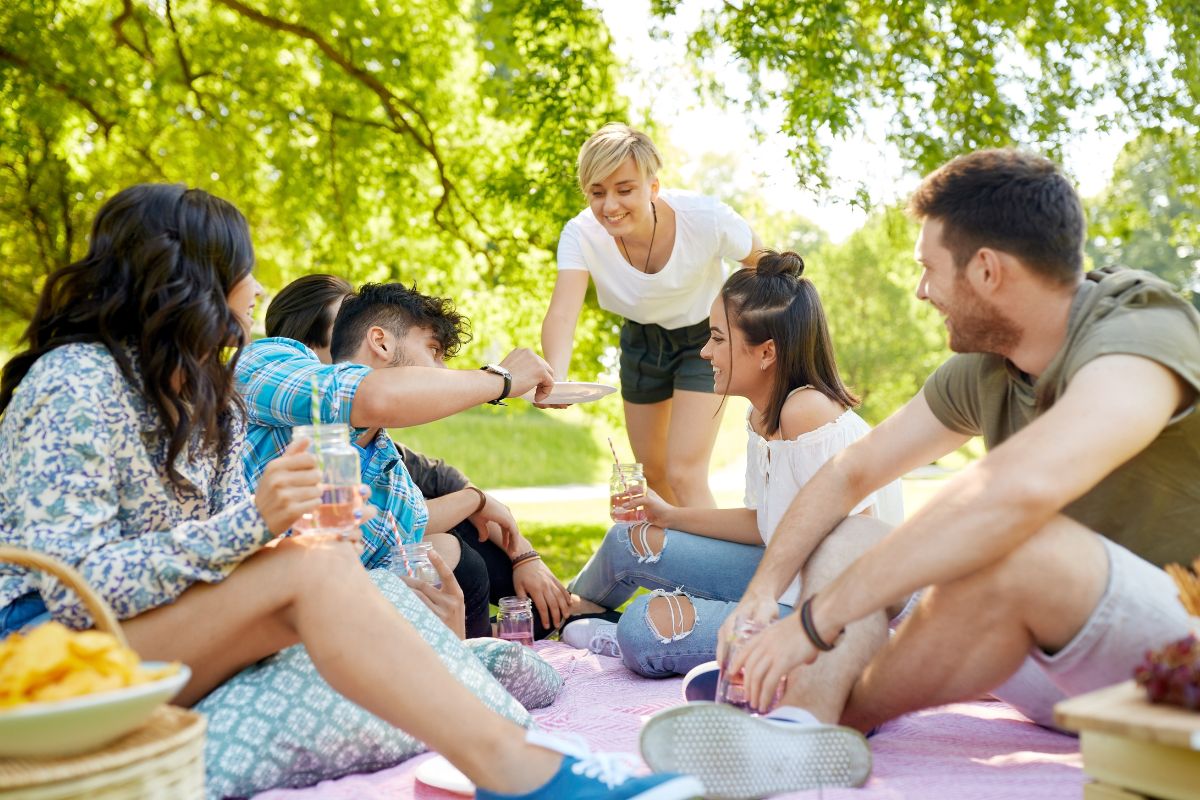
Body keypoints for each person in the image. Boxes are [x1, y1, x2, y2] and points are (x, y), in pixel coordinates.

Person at [0, 183, 703, 800]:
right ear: (195, 279)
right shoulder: (78, 383)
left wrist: (415, 598)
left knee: (344, 573)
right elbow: (72, 589)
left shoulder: (205, 401)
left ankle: (497, 741)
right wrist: (250, 528)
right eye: (245, 269)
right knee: (316, 569)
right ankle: (520, 772)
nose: (258, 289)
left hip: (147, 637)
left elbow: (242, 569)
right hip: (48, 658)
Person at [640, 150, 1200, 799]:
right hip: (1052, 657)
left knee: (1021, 546)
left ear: (986, 270)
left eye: (929, 270)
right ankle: (803, 723)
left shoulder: (1142, 329)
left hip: (1169, 660)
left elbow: (1017, 491)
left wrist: (813, 624)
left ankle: (835, 714)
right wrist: (764, 596)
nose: (921, 291)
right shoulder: (989, 367)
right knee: (850, 533)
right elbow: (851, 474)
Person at [565, 252, 900, 787]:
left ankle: (627, 631)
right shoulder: (763, 413)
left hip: (825, 608)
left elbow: (854, 546)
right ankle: (567, 607)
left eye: (718, 338)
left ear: (766, 351)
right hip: (780, 572)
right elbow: (766, 523)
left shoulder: (806, 412)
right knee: (633, 539)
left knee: (642, 627)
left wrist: (769, 616)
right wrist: (671, 514)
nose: (705, 352)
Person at [247, 275, 573, 638]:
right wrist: (501, 379)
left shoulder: (386, 459)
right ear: (380, 342)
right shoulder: (269, 360)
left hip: (333, 620)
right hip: (254, 607)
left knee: (449, 555)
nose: (443, 374)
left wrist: (481, 506)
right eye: (434, 351)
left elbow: (419, 520)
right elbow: (371, 396)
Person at [541, 123, 764, 508]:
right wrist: (555, 379)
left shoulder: (706, 218)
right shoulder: (580, 234)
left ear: (653, 187)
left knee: (684, 473)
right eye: (597, 193)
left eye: (624, 190)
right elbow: (563, 312)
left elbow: (765, 264)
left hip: (705, 340)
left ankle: (711, 568)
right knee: (653, 474)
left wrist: (750, 335)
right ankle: (674, 565)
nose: (610, 206)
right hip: (640, 341)